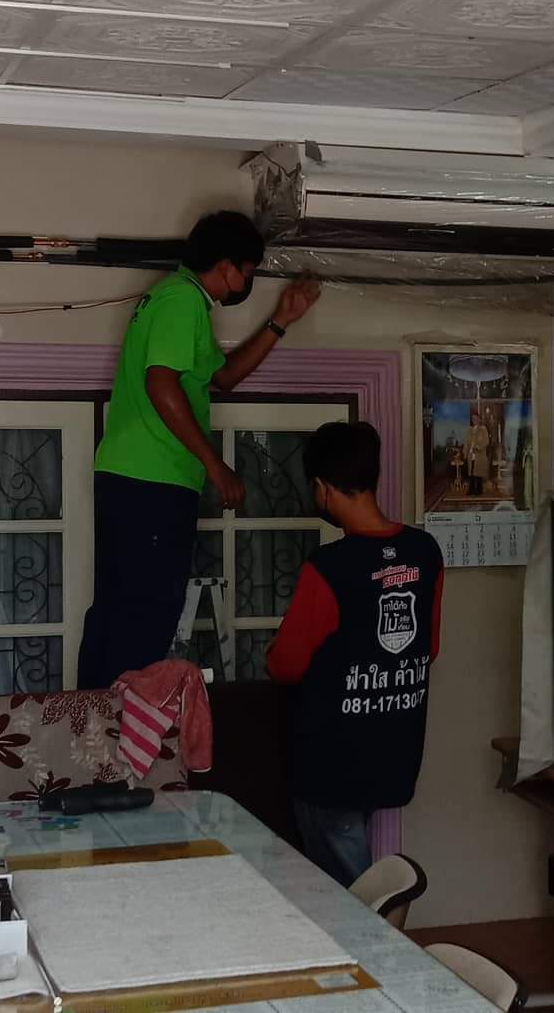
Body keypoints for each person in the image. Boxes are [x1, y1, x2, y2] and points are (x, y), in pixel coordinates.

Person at [77, 210, 320, 690]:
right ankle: (117, 722)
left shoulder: (180, 300)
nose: (246, 282)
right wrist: (214, 464)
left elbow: (222, 377)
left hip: (138, 478)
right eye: (247, 271)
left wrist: (281, 320)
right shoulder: (181, 299)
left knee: (124, 609)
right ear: (226, 266)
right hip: (151, 478)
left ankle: (96, 717)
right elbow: (161, 383)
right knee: (142, 615)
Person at [267, 421, 445, 886]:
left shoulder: (330, 568)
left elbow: (285, 665)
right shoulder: (424, 553)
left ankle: (380, 936)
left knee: (351, 895)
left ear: (323, 488)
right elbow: (428, 648)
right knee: (353, 877)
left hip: (330, 765)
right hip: (392, 752)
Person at [463, 410, 490, 497]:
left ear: (479, 419)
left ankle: (478, 490)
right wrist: (465, 453)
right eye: (473, 418)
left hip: (479, 454)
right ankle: (471, 489)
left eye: (476, 418)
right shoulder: (469, 430)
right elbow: (466, 442)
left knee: (478, 473)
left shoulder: (483, 429)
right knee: (471, 473)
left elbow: (486, 441)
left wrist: (478, 447)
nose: (474, 420)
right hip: (470, 455)